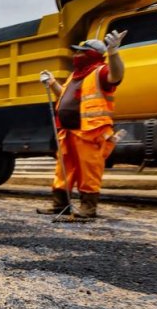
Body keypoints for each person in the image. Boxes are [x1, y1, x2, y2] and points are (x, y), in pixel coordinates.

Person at [37, 31, 126, 218]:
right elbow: (64, 96)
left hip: (90, 131)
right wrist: (52, 83)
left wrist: (113, 52)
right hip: (68, 131)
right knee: (63, 170)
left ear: (92, 54)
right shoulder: (75, 76)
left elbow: (117, 76)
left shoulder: (101, 71)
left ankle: (88, 207)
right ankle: (60, 205)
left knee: (89, 170)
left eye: (80, 52)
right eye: (76, 52)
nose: (76, 55)